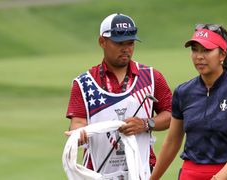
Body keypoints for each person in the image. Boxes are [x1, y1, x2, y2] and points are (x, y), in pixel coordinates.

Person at [64, 13, 172, 179]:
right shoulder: (84, 83)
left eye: (130, 43)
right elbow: (77, 123)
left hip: (141, 171)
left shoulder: (152, 77)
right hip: (97, 172)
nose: (126, 48)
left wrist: (145, 124)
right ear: (102, 41)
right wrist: (78, 135)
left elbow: (172, 115)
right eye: (119, 43)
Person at [150, 24, 227, 180]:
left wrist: (218, 178)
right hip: (190, 175)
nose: (199, 56)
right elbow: (172, 142)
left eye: (206, 50)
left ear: (222, 55)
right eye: (195, 49)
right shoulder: (183, 92)